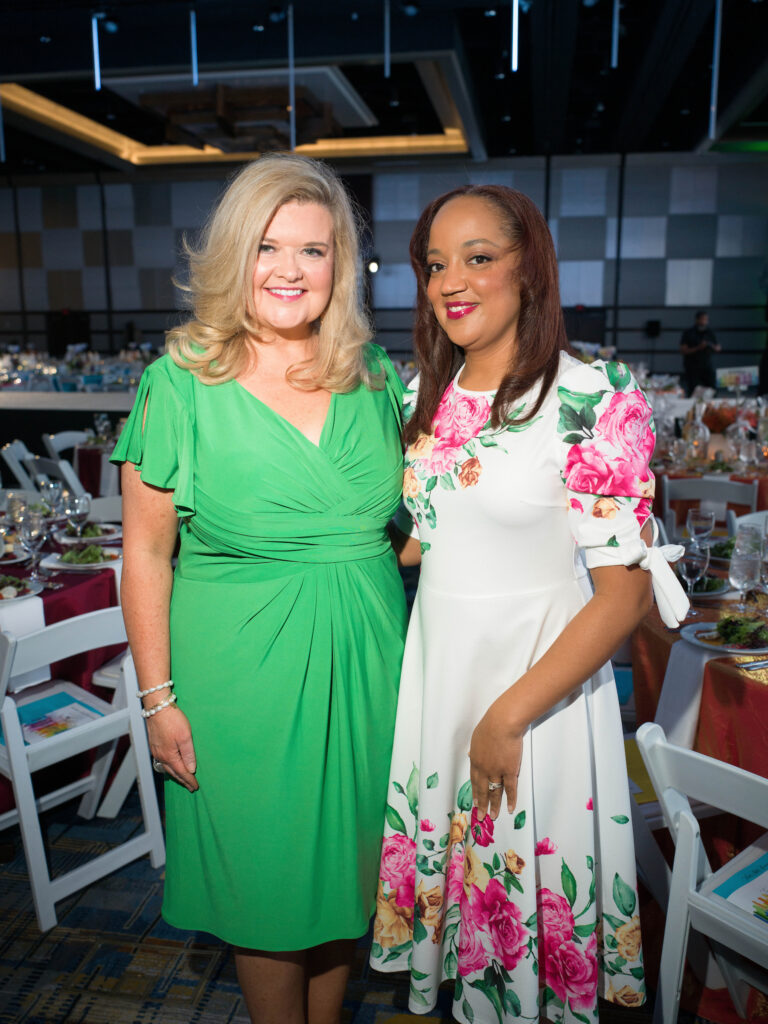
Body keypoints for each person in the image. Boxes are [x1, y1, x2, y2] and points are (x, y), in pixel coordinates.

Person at [369, 185, 688, 1022]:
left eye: (478, 258)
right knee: (463, 927)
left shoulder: (592, 397)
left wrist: (507, 717)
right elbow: (428, 537)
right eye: (436, 264)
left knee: (523, 906)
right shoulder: (421, 399)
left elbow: (623, 596)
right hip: (441, 681)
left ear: (529, 269)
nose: (451, 282)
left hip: (536, 692)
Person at [111, 154, 407, 1024]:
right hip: (242, 678)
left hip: (369, 665)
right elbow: (143, 554)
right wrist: (158, 698)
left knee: (341, 887)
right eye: (267, 248)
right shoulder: (179, 384)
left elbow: (416, 527)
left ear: (339, 267)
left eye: (313, 251)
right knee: (267, 896)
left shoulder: (375, 376)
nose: (288, 270)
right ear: (232, 257)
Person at [680, 310, 721, 395]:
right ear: (697, 320)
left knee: (712, 389)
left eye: (706, 319)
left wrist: (711, 346)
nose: (705, 322)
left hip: (707, 365)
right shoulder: (689, 333)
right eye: (703, 319)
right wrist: (698, 347)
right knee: (693, 390)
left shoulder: (709, 332)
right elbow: (683, 350)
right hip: (692, 366)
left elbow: (718, 347)